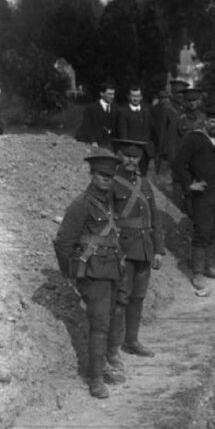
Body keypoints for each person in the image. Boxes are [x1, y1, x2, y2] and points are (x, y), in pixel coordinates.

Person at [53, 152, 125, 398]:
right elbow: (63, 243)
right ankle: (95, 379)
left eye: (110, 176)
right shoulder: (81, 204)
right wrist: (71, 274)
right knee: (100, 325)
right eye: (102, 175)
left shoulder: (108, 202)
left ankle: (104, 365)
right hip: (93, 273)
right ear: (92, 175)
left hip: (112, 269)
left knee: (112, 316)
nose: (106, 180)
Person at [110, 139, 165, 359]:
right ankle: (113, 349)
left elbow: (155, 217)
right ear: (118, 156)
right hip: (124, 248)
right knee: (120, 298)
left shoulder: (144, 184)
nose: (132, 161)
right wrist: (114, 250)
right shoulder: (112, 183)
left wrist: (159, 249)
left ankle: (131, 341)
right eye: (127, 156)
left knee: (138, 297)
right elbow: (106, 220)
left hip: (144, 248)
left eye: (136, 157)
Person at [171, 105, 215, 292]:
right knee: (202, 231)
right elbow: (178, 163)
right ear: (205, 122)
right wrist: (190, 184)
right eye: (213, 122)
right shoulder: (194, 139)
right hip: (202, 195)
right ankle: (197, 272)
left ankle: (208, 266)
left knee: (213, 231)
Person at [113, 86, 154, 176]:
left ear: (141, 97)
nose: (135, 99)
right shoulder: (123, 112)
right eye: (133, 96)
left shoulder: (146, 112)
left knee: (142, 177)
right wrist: (127, 152)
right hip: (129, 153)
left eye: (137, 96)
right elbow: (122, 133)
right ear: (128, 97)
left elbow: (150, 131)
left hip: (144, 152)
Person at [150, 89, 181, 179]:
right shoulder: (169, 110)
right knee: (164, 174)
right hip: (167, 146)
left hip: (157, 144)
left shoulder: (153, 108)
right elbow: (165, 129)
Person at [76, 82, 116, 148]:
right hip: (92, 143)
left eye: (113, 94)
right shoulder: (91, 109)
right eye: (109, 94)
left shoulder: (115, 109)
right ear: (101, 94)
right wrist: (93, 141)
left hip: (108, 144)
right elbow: (87, 126)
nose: (112, 97)